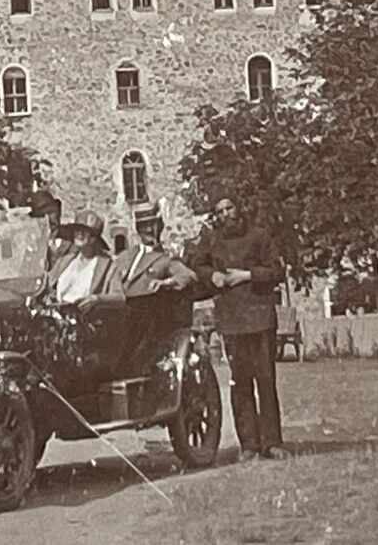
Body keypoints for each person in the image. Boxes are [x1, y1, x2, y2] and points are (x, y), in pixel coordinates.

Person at [191, 196, 287, 462]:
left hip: (260, 317)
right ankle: (249, 445)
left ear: (239, 208)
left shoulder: (259, 236)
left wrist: (246, 276)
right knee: (240, 383)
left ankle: (272, 442)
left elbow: (278, 271)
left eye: (229, 208)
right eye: (219, 211)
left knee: (266, 381)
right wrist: (213, 276)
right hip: (232, 321)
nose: (225, 215)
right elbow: (197, 265)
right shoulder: (212, 241)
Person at [108, 201, 198, 372]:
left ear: (160, 226)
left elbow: (188, 276)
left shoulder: (165, 259)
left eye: (152, 225)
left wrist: (165, 283)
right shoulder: (125, 256)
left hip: (145, 314)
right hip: (118, 311)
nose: (149, 230)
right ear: (137, 229)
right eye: (143, 226)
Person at [45, 210, 114, 311]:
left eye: (85, 231)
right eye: (77, 230)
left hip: (88, 319)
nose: (79, 234)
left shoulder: (107, 264)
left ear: (93, 238)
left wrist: (97, 299)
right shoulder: (67, 260)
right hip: (59, 317)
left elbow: (119, 296)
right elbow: (48, 285)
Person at [29, 189, 73, 271]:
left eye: (51, 212)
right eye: (42, 216)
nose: (48, 219)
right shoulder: (35, 245)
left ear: (58, 212)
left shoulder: (72, 237)